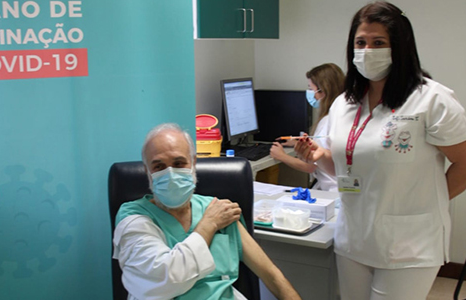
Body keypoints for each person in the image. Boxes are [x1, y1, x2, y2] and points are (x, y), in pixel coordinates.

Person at [295, 2, 466, 300]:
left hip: (409, 242)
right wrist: (319, 157)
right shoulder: (344, 104)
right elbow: (346, 169)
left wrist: (430, 199)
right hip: (353, 238)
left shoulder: (431, 99)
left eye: (378, 43)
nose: (367, 50)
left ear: (400, 48)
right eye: (361, 42)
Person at [112, 123, 302, 300]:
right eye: (159, 166)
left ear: (193, 163)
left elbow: (272, 276)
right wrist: (208, 225)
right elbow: (166, 279)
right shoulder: (134, 218)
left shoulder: (218, 209)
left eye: (179, 163)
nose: (170, 174)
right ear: (147, 172)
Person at [269, 63, 345, 192]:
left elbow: (311, 166)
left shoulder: (328, 121)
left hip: (332, 190)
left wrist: (281, 156)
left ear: (323, 91)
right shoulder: (341, 115)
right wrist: (299, 144)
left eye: (311, 88)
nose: (311, 94)